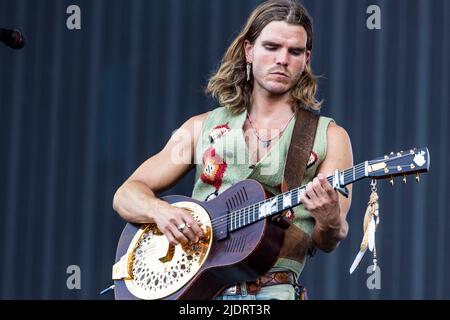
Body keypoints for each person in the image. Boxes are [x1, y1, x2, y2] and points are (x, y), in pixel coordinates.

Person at [113, 0, 353, 300]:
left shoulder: (329, 136)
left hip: (273, 291)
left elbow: (328, 239)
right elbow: (126, 194)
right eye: (271, 47)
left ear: (306, 58)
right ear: (249, 51)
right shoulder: (201, 128)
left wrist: (330, 220)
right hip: (197, 292)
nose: (282, 59)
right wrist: (160, 211)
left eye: (294, 52)